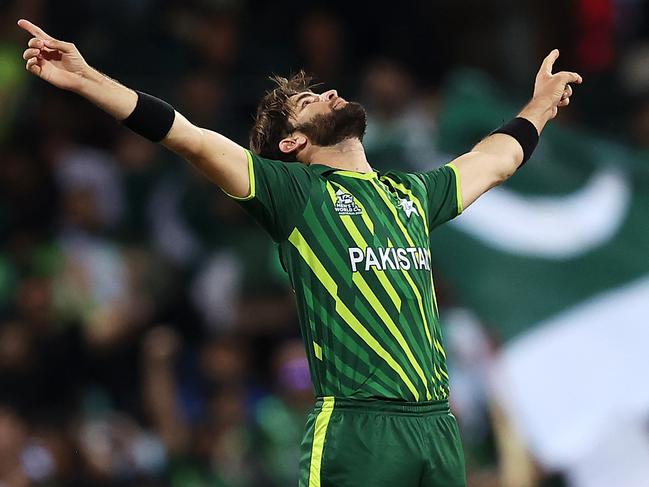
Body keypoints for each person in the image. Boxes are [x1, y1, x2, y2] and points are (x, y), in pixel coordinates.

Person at [17, 18, 581, 487]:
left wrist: (538, 106)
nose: (332, 92)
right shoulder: (294, 195)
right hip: (358, 429)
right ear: (293, 144)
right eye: (312, 100)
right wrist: (88, 79)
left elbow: (495, 159)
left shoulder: (412, 193)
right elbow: (185, 134)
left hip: (437, 426)